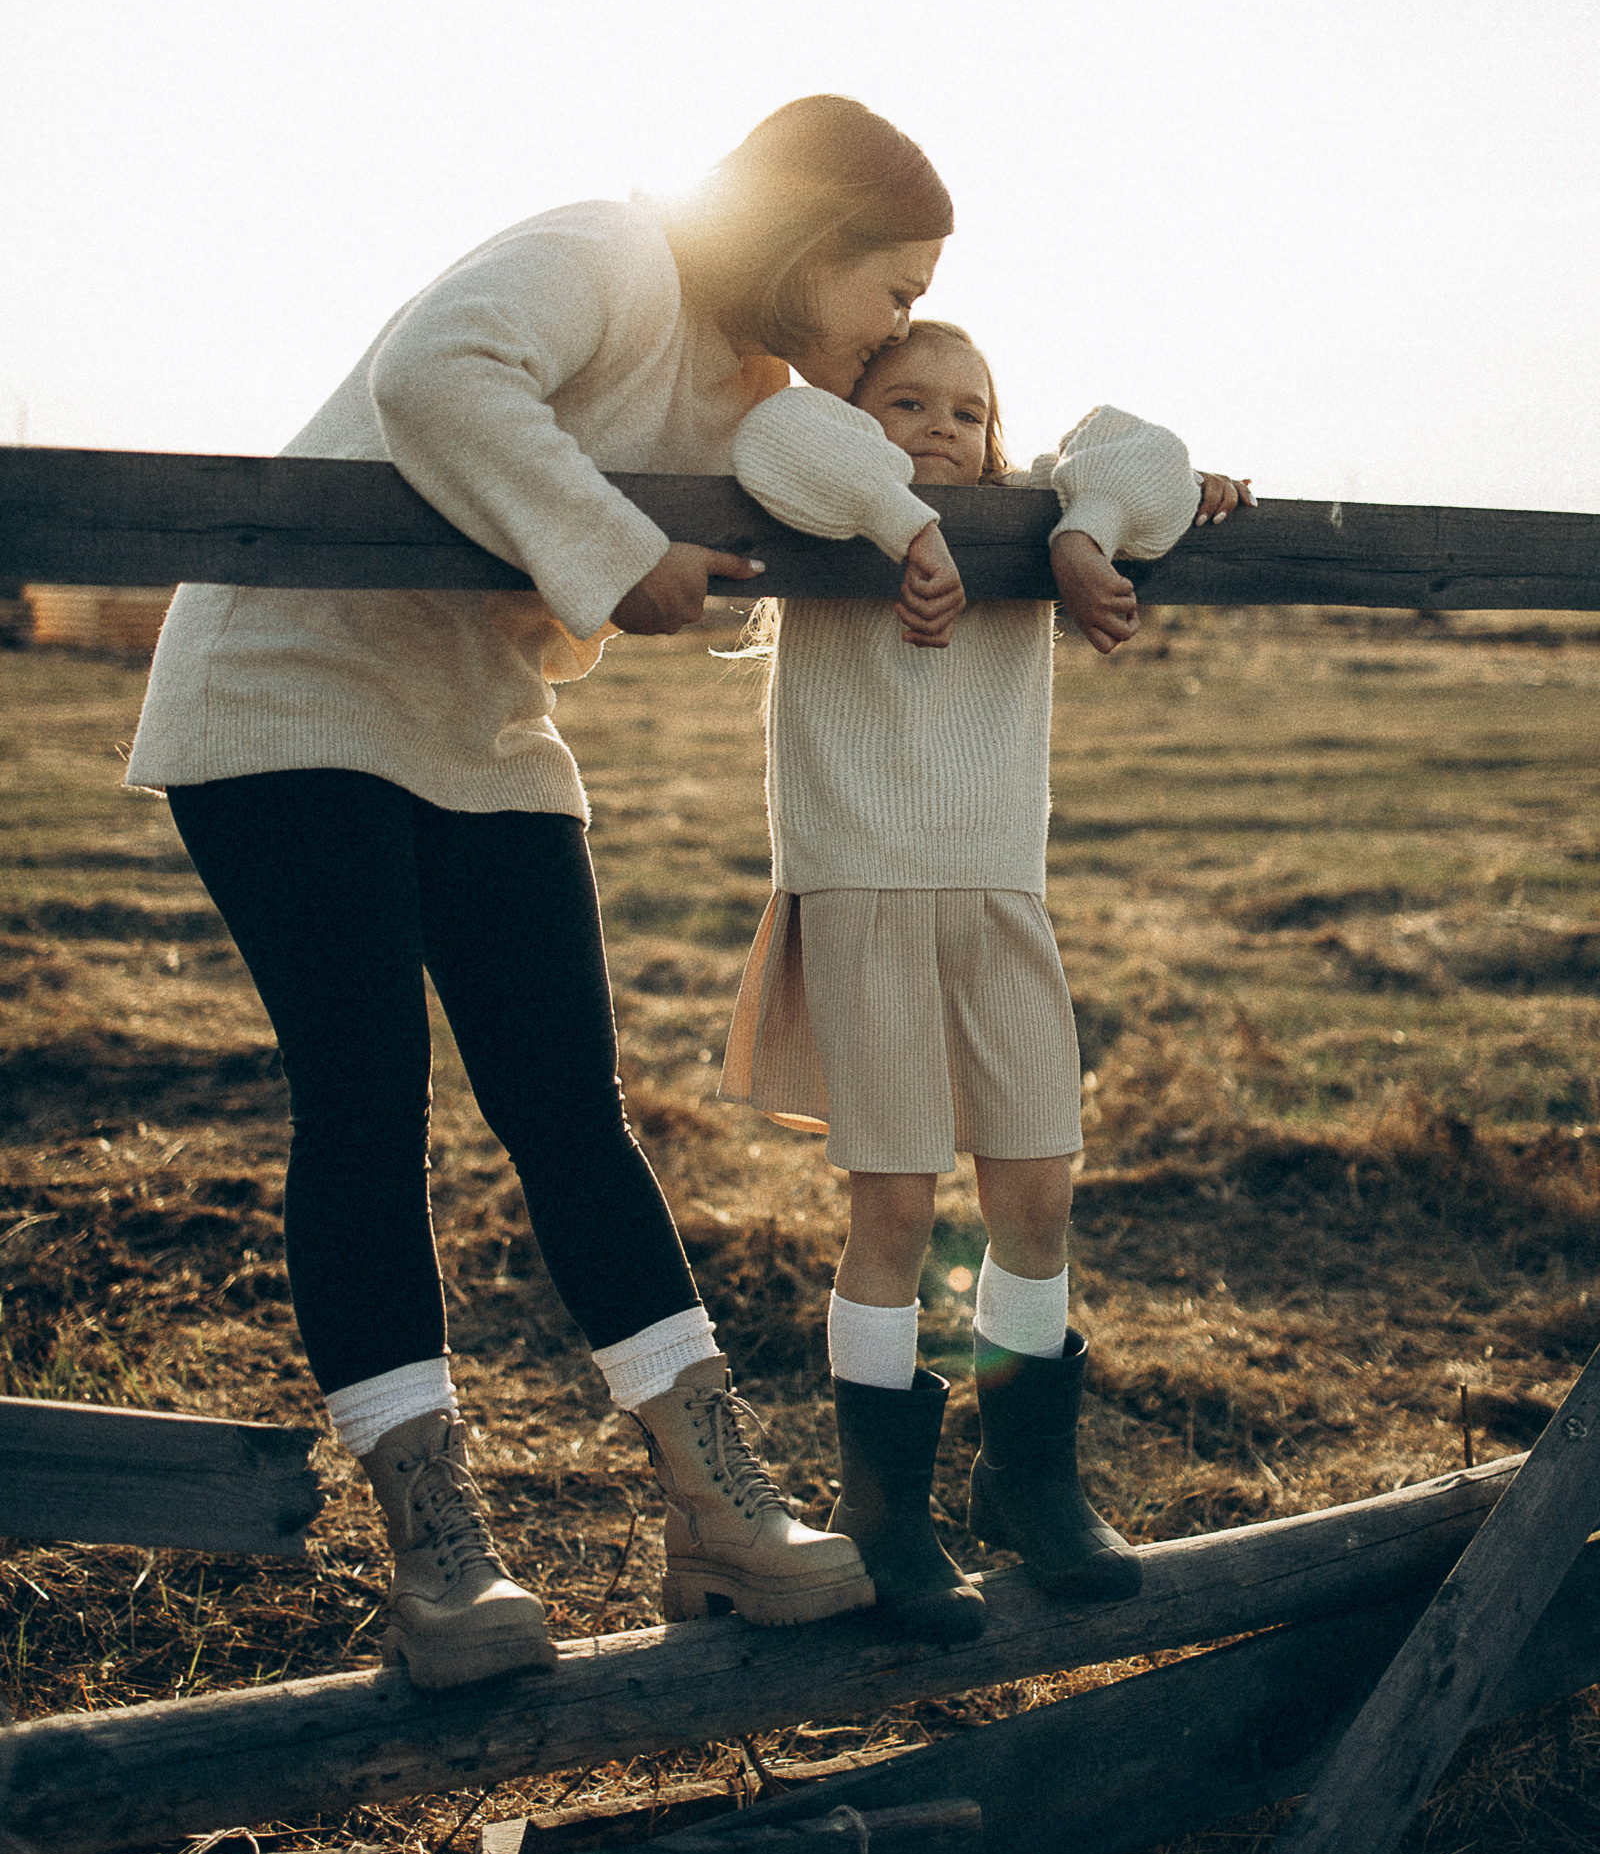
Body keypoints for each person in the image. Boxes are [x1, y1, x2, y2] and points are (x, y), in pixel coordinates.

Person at [124, 97, 958, 1686]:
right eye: (893, 290)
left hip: (484, 727)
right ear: (810, 237)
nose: (894, 326)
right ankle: (441, 1557)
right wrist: (610, 543)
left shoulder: (767, 391)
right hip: (291, 691)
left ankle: (718, 1512)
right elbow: (434, 374)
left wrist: (1119, 497)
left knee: (576, 1111)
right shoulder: (611, 249)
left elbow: (904, 458)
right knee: (368, 1105)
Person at [720, 319, 1252, 1640]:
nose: (940, 426)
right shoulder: (832, 505)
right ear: (861, 416)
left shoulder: (1032, 519)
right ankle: (884, 1511)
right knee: (894, 1208)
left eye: (968, 408)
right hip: (863, 893)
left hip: (1001, 890)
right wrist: (904, 526)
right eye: (904, 401)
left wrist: (1089, 529)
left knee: (1037, 1182)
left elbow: (1143, 448)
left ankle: (1031, 1480)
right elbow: (775, 432)